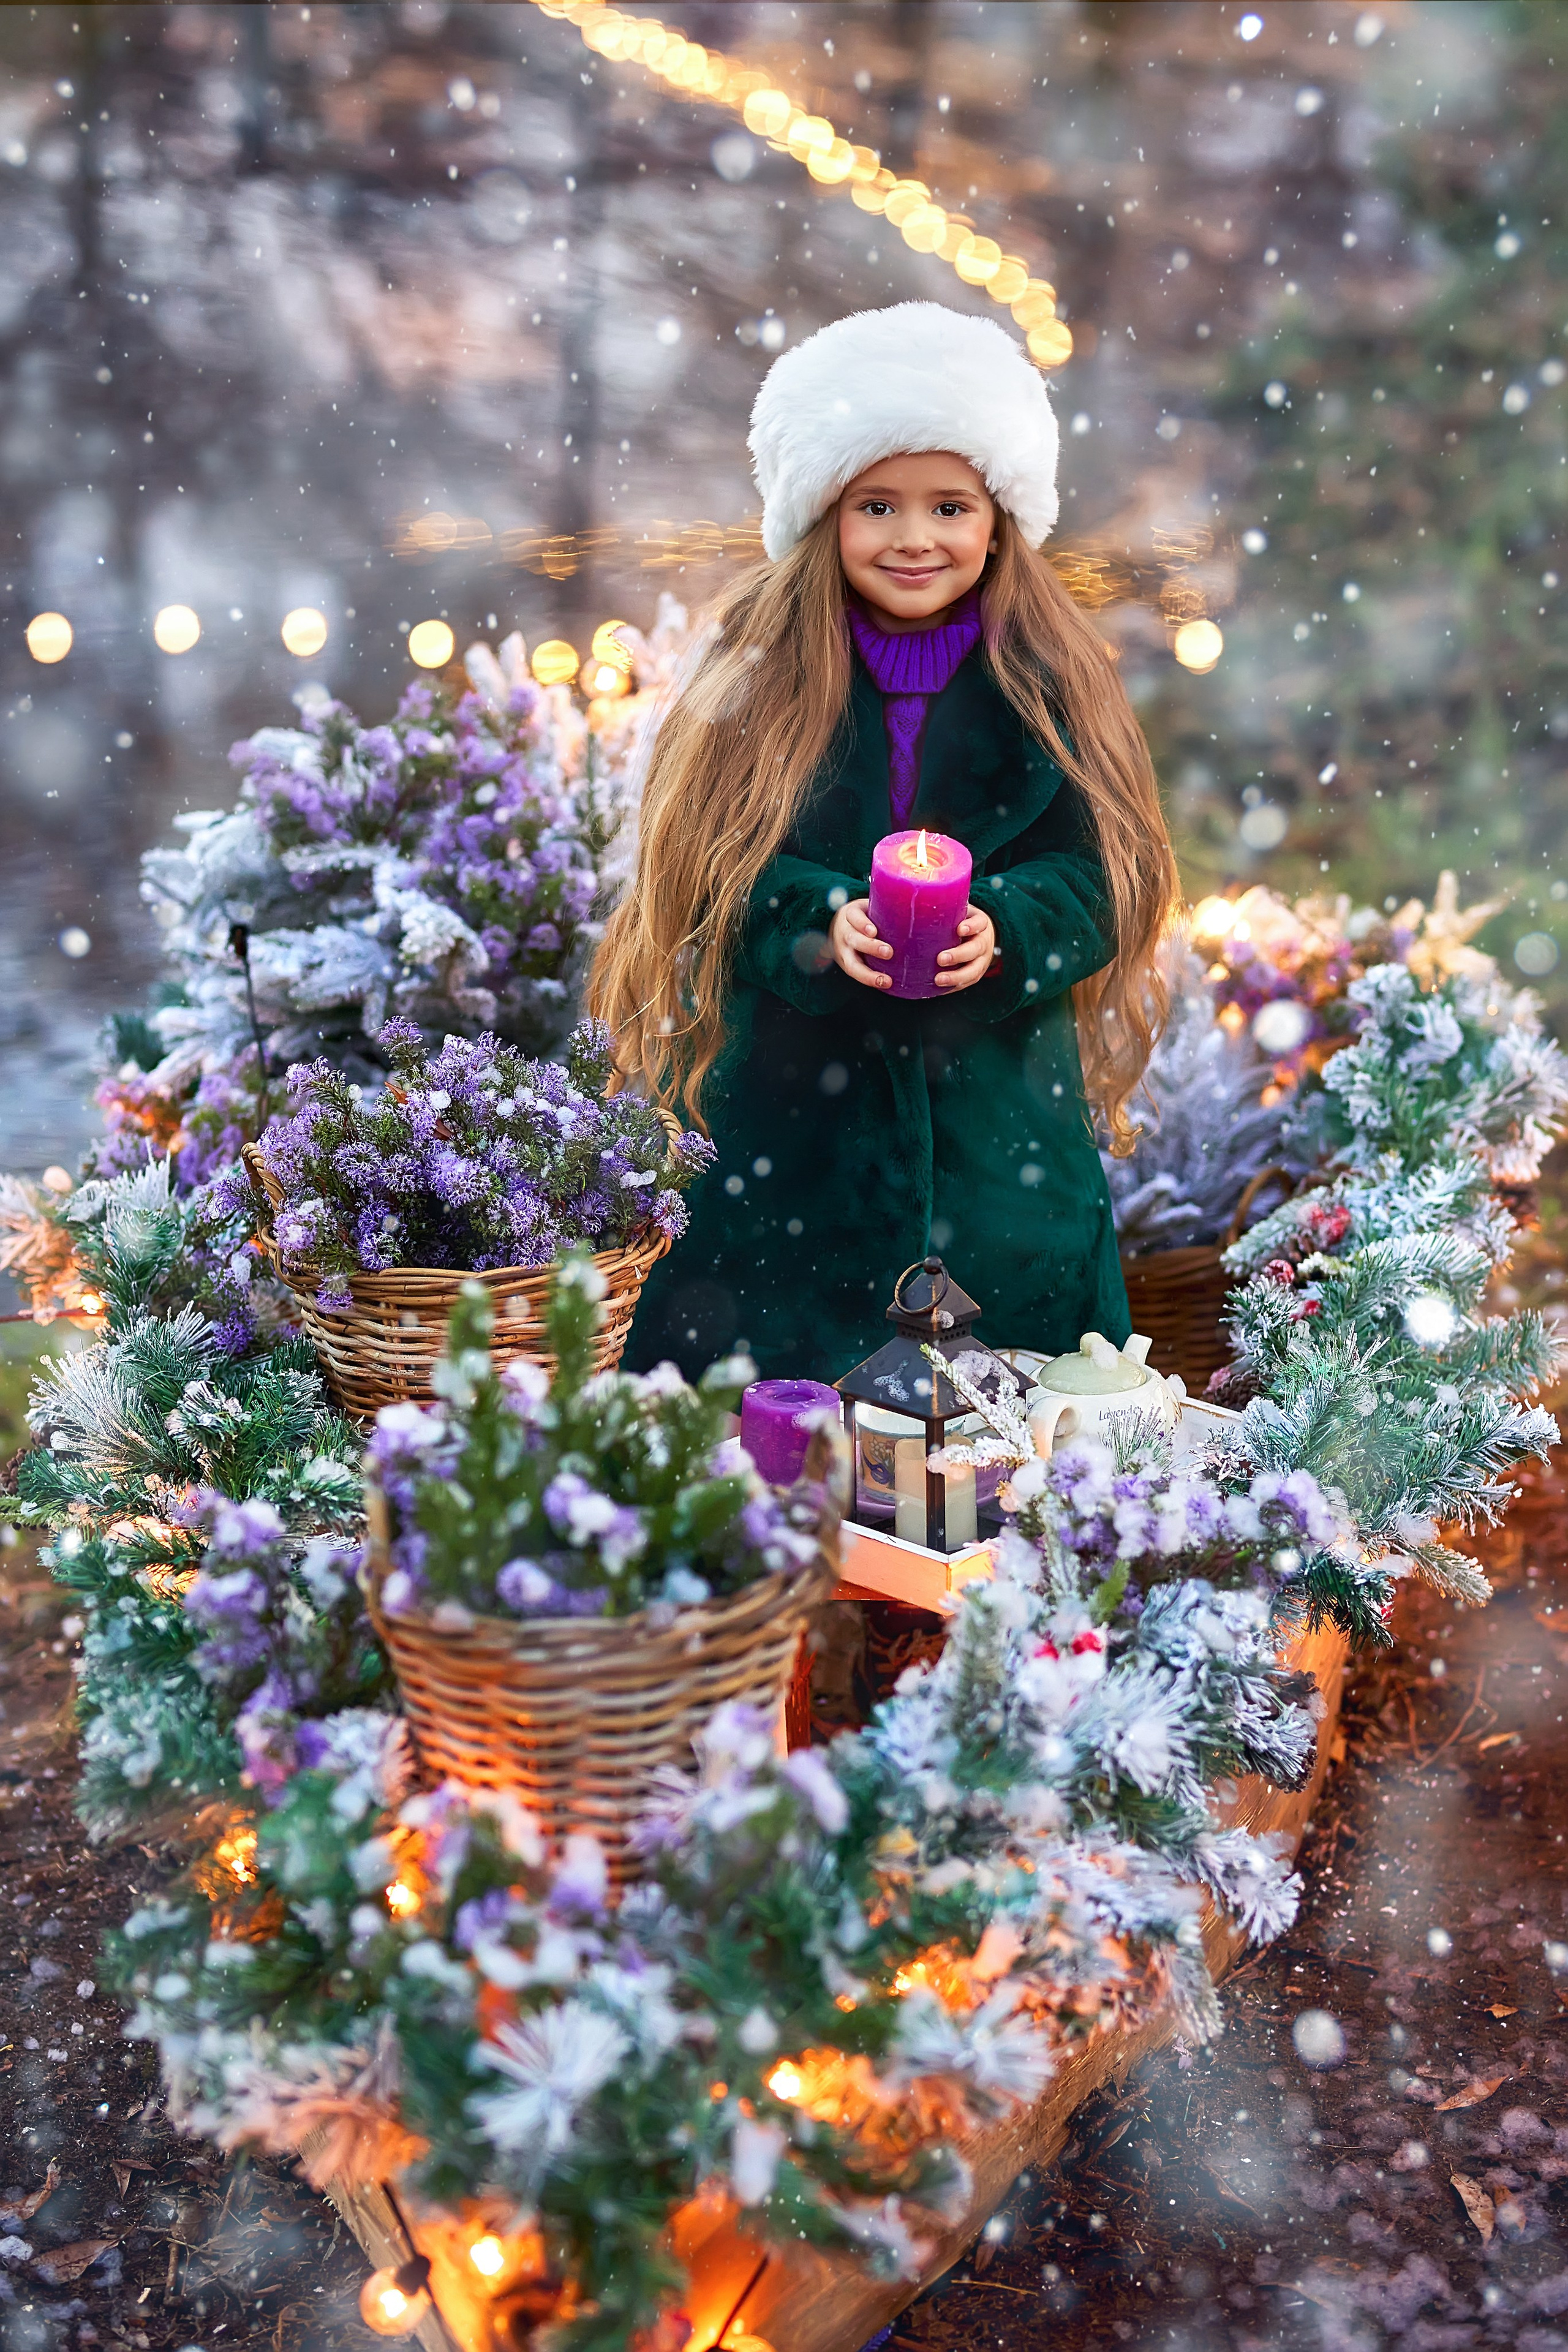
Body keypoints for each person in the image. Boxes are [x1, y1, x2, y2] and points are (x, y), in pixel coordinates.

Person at [590, 301, 1178, 1383]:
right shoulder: (762, 673)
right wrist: (816, 920)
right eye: (878, 505)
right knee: (774, 1426)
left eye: (950, 504)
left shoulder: (1049, 679)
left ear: (1000, 517)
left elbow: (1110, 874)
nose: (916, 537)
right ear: (826, 513)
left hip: (999, 1137)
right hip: (796, 1139)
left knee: (1007, 1433)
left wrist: (1008, 926)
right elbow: (711, 868)